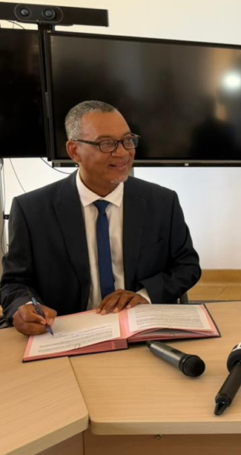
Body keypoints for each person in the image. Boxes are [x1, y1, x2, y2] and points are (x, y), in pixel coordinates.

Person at [1, 100, 201, 335]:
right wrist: (25, 308)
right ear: (74, 151)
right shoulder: (31, 210)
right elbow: (14, 282)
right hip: (65, 333)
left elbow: (187, 267)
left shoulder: (162, 202)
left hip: (140, 330)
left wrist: (143, 295)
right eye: (107, 143)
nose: (123, 152)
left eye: (128, 140)